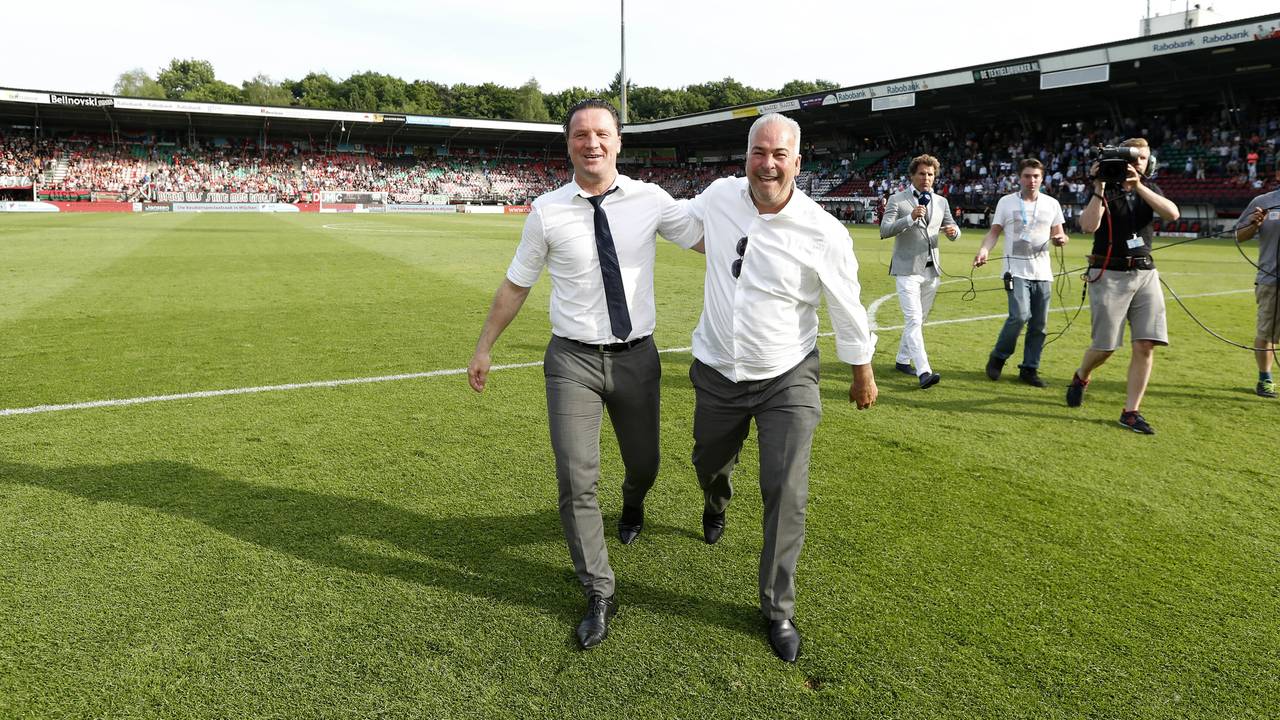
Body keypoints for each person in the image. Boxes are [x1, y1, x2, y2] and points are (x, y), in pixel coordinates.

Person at [466, 99, 701, 650]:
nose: (591, 143)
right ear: (567, 143)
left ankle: (635, 500)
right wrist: (483, 348)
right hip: (571, 360)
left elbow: (707, 239)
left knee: (645, 464)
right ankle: (599, 589)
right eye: (579, 135)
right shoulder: (546, 211)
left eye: (601, 134)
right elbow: (517, 284)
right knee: (575, 479)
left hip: (637, 357)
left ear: (619, 142)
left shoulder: (651, 200)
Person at [683, 113, 878, 663]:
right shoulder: (720, 197)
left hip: (787, 375)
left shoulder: (823, 230)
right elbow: (681, 224)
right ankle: (715, 500)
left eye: (779, 154)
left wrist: (861, 369)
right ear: (745, 156)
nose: (767, 164)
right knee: (707, 461)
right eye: (758, 152)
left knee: (786, 490)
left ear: (798, 161)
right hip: (718, 368)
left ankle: (777, 608)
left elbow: (845, 301)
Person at [1067, 138, 1180, 434]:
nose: (1137, 164)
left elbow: (1172, 214)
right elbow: (1088, 226)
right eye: (1133, 158)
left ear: (1148, 163)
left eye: (1142, 159)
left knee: (1145, 343)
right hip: (1109, 273)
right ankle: (1081, 375)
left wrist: (1138, 186)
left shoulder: (1149, 189)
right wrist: (1099, 187)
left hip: (1144, 273)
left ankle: (1131, 411)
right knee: (1105, 347)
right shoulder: (1105, 188)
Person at [973, 158, 1068, 386]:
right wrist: (984, 250)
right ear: (1019, 177)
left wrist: (1061, 239)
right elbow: (994, 232)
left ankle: (1029, 369)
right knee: (1019, 316)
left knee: (1039, 325)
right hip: (1014, 270)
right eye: (1027, 176)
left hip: (1042, 272)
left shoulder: (1051, 204)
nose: (1031, 180)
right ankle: (998, 357)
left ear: (1042, 178)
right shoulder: (1006, 202)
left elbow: (1059, 234)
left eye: (1036, 176)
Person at [880, 154, 961, 388]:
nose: (927, 178)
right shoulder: (897, 199)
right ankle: (924, 372)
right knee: (914, 319)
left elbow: (952, 227)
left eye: (930, 174)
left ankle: (902, 359)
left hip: (931, 270)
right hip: (906, 270)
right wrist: (909, 218)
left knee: (919, 320)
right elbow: (885, 230)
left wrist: (954, 233)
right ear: (913, 176)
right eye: (922, 174)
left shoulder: (942, 201)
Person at [1235, 187, 1280, 398]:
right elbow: (1239, 236)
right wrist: (1254, 224)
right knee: (1266, 333)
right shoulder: (1263, 200)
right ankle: (1265, 378)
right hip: (1271, 280)